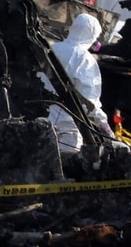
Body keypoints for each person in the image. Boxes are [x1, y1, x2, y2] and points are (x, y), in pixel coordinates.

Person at [44, 13, 111, 151]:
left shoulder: (52, 49)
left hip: (40, 120)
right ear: (92, 37)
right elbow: (89, 103)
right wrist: (105, 127)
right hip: (66, 130)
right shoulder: (85, 59)